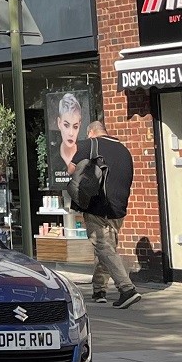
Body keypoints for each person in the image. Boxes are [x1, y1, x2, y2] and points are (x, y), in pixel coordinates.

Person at [69, 119, 137, 308]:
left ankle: (126, 288)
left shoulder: (89, 145)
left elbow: (71, 169)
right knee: (106, 248)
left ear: (91, 132)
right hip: (118, 208)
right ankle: (99, 289)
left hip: (96, 205)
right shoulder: (124, 150)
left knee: (103, 247)